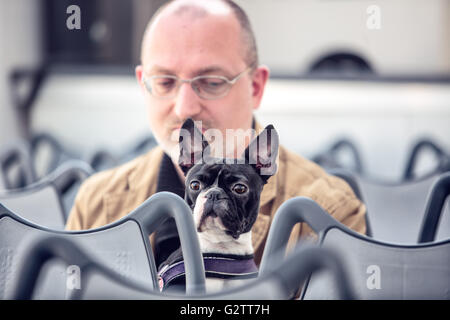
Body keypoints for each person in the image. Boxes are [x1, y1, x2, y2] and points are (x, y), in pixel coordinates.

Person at [66, 0, 366, 267]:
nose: (184, 108)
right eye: (165, 82)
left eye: (211, 82)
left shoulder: (328, 212)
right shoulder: (96, 203)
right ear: (143, 84)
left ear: (256, 87)